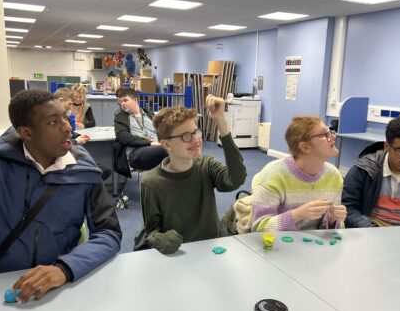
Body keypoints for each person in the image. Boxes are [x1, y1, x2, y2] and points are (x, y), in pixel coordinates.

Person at [0, 90, 121, 302]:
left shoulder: (85, 172)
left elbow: (109, 233)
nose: (67, 127)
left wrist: (65, 268)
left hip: (58, 287)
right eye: (53, 122)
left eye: (64, 116)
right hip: (0, 286)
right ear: (26, 133)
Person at [138, 96, 247, 254]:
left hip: (213, 248)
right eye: (186, 136)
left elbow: (236, 179)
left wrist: (220, 120)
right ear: (167, 144)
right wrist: (161, 240)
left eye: (196, 132)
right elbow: (151, 233)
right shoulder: (151, 183)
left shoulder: (206, 166)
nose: (196, 140)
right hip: (181, 253)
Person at [251, 116, 346, 232]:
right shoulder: (274, 175)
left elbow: (333, 231)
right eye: (323, 134)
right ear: (305, 147)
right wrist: (297, 214)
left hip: (313, 246)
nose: (333, 136)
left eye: (330, 132)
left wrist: (333, 220)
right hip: (278, 245)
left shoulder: (334, 176)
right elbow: (259, 228)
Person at [113, 88, 167, 177]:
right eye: (121, 101)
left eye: (125, 100)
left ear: (135, 100)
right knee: (167, 149)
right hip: (136, 153)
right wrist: (150, 143)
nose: (122, 104)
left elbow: (162, 130)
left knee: (179, 147)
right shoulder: (120, 117)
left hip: (157, 149)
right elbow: (123, 136)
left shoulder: (149, 114)